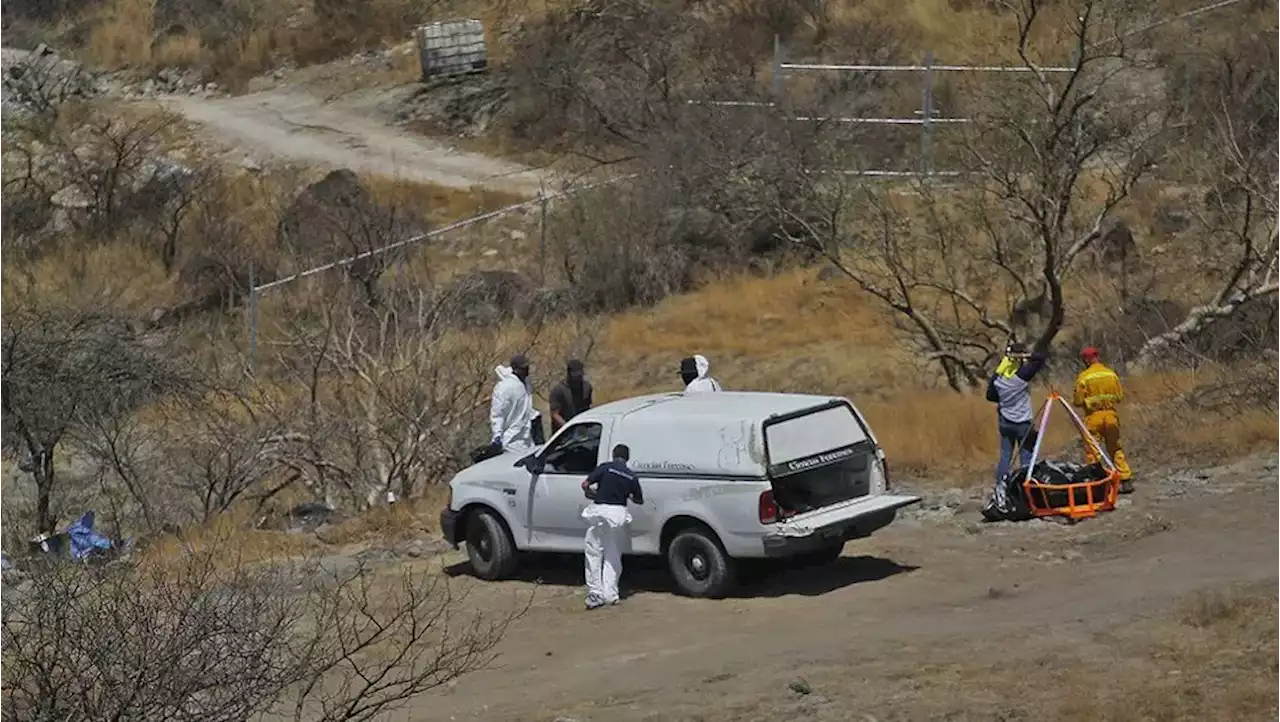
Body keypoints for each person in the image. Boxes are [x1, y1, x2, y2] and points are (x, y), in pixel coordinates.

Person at [580, 444, 643, 610]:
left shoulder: (605, 468)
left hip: (600, 511)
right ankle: (610, 594)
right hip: (618, 515)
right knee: (613, 555)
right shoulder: (631, 476)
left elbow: (585, 484)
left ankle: (595, 593)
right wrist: (626, 494)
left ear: (613, 455)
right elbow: (639, 500)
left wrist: (593, 494)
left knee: (594, 552)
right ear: (627, 458)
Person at [986, 341, 1049, 484]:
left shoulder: (998, 380)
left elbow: (990, 396)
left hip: (1005, 422)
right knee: (1026, 456)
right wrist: (1024, 356)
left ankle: (1001, 486)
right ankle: (1026, 486)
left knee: (1005, 456)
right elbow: (1041, 358)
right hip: (1023, 423)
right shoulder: (1020, 378)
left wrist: (1000, 368)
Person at [1073, 347, 1134, 493]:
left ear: (1085, 360)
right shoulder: (1111, 374)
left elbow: (1077, 400)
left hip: (1093, 417)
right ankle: (1126, 480)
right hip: (1111, 415)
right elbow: (1119, 396)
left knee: (1093, 450)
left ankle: (1098, 482)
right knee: (1115, 447)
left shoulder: (1084, 377)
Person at [489, 354, 537, 454]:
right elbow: (498, 414)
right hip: (510, 442)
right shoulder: (504, 387)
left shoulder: (526, 383)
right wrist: (497, 436)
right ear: (515, 369)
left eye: (527, 367)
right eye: (523, 368)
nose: (527, 370)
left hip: (527, 440)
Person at [549, 359, 593, 434]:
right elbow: (555, 414)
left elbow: (588, 408)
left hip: (582, 430)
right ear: (569, 374)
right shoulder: (559, 391)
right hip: (563, 432)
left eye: (580, 376)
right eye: (575, 376)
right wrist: (568, 427)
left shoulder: (586, 387)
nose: (578, 379)